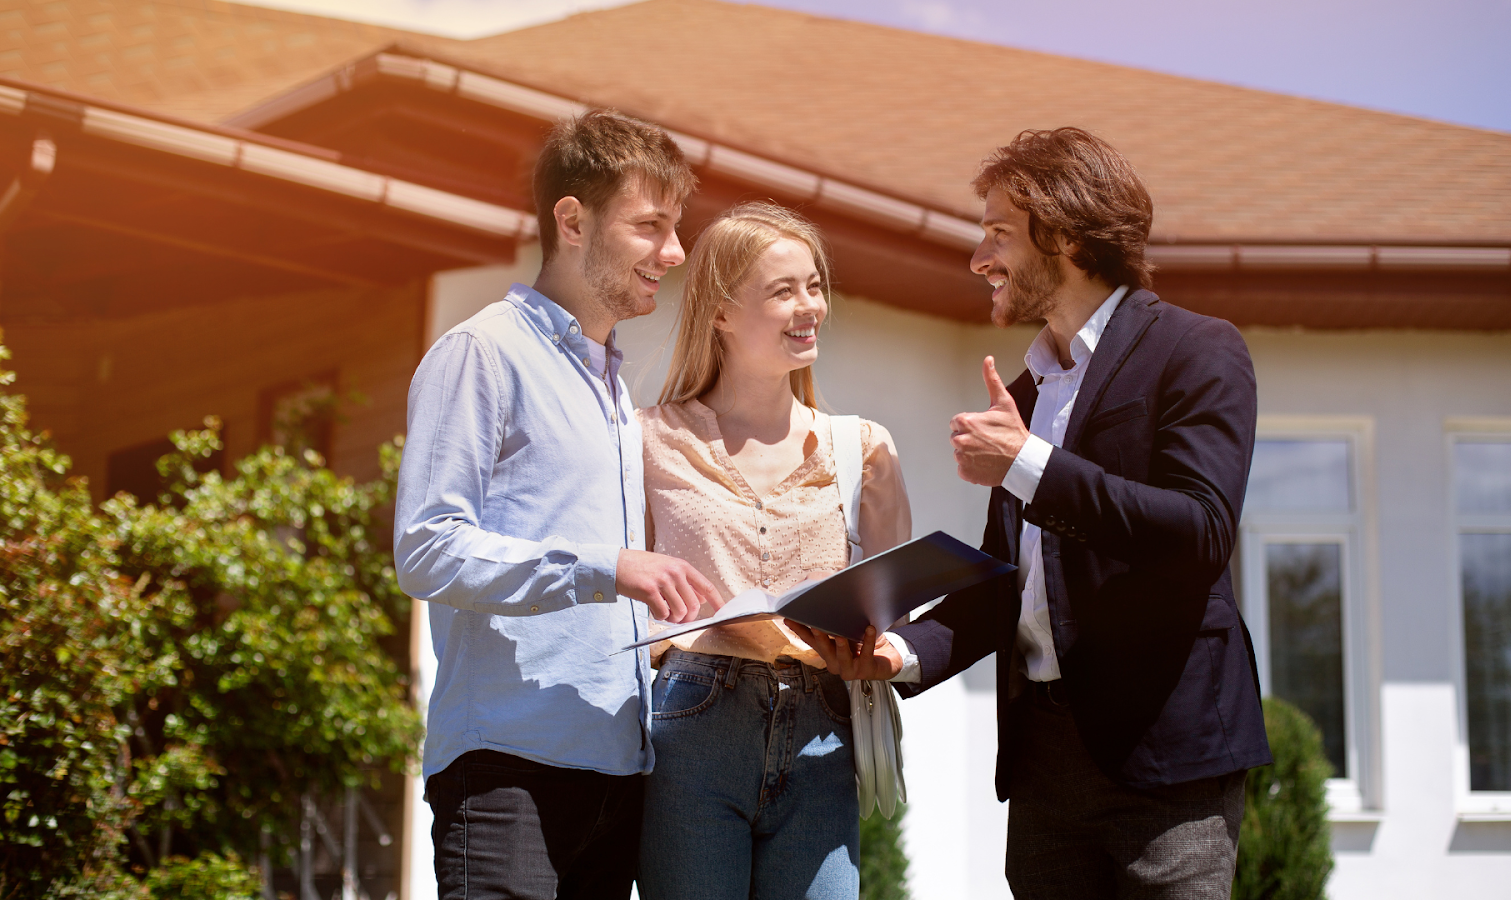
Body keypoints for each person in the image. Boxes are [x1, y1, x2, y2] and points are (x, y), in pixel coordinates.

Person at [793, 127, 1271, 899]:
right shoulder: (1021, 396)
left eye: (997, 235)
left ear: (1070, 236)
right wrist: (902, 652)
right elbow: (1005, 583)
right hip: (1045, 764)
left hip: (1167, 758)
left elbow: (1199, 532)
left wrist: (1026, 464)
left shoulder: (1197, 350)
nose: (979, 259)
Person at [393, 109, 724, 900]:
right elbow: (427, 548)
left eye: (675, 228)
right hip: (508, 775)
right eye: (650, 226)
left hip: (617, 777)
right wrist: (606, 568)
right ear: (571, 221)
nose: (673, 254)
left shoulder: (612, 385)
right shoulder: (483, 352)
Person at [633, 202, 913, 900]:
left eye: (814, 286)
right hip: (693, 722)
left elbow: (896, 604)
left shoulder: (864, 450)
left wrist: (870, 626)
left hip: (823, 722)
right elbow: (621, 600)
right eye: (783, 291)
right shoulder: (647, 440)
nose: (808, 306)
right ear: (721, 313)